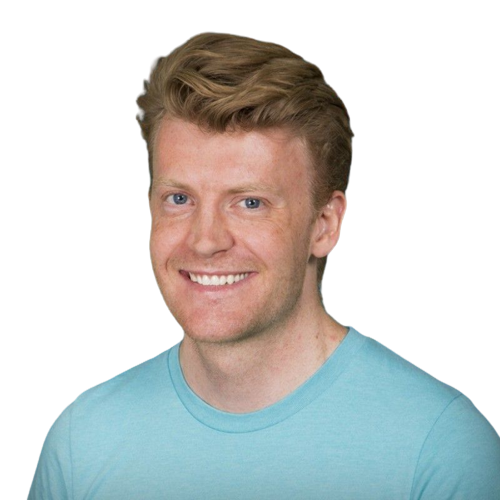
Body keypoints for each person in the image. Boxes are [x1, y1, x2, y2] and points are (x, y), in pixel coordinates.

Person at [28, 32, 500, 499]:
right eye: (179, 199)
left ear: (324, 225)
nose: (205, 240)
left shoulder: (440, 448)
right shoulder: (82, 443)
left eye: (250, 202)